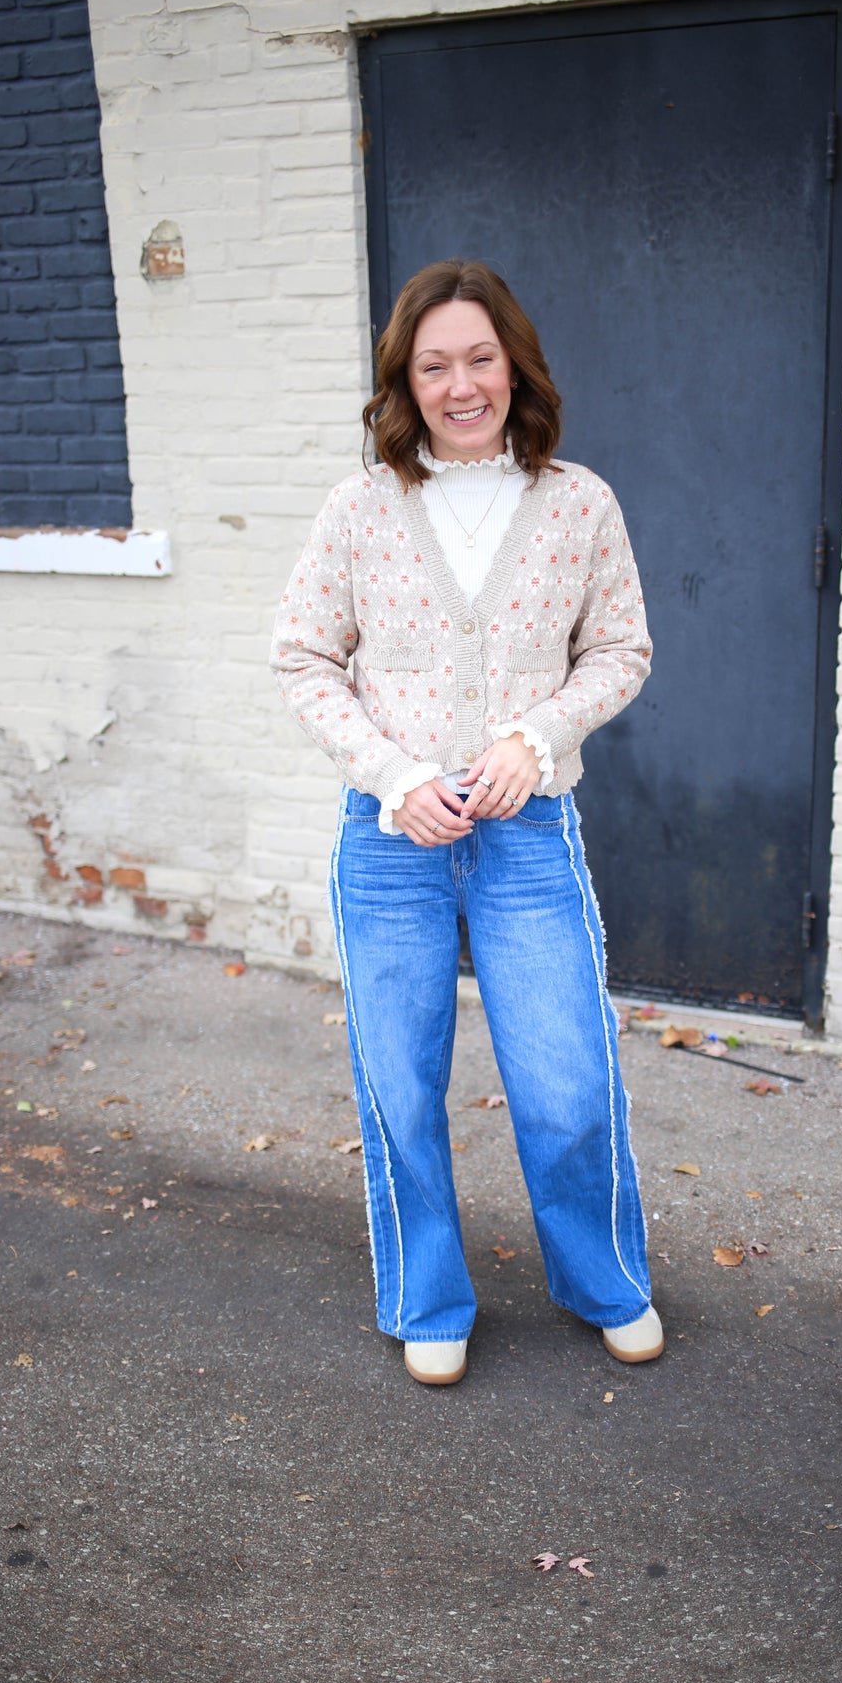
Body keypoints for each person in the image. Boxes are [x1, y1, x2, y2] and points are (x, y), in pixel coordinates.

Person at [270, 259, 661, 1386]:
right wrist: (393, 774)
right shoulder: (360, 508)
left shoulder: (580, 502)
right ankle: (429, 1295)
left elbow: (622, 649)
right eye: (434, 364)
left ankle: (604, 1280)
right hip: (391, 840)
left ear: (514, 365)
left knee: (566, 1079)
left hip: (528, 834)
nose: (460, 384)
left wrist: (534, 742)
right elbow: (304, 657)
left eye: (479, 359)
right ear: (406, 378)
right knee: (399, 1078)